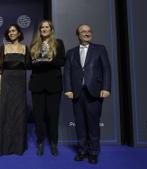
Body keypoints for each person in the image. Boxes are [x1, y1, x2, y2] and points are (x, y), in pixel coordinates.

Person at [64, 24, 111, 164]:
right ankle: (82, 150)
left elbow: (106, 69)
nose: (87, 33)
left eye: (89, 31)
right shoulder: (71, 52)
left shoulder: (100, 49)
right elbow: (66, 72)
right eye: (83, 31)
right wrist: (68, 89)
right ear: (77, 35)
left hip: (95, 92)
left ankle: (94, 152)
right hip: (77, 93)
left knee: (93, 124)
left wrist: (106, 88)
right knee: (80, 123)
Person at [29, 20, 65, 156]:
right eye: (42, 27)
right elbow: (29, 64)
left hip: (53, 85)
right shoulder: (33, 44)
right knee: (38, 116)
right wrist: (38, 62)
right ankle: (40, 142)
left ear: (51, 29)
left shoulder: (58, 43)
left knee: (53, 115)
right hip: (37, 84)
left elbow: (62, 61)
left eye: (46, 27)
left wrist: (50, 61)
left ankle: (53, 142)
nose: (44, 29)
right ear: (39, 30)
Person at [0, 24, 30, 155]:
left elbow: (29, 65)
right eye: (9, 31)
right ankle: (5, 146)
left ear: (18, 33)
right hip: (6, 82)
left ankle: (18, 146)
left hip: (20, 83)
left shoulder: (25, 48)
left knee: (19, 113)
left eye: (13, 31)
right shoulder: (3, 48)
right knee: (6, 112)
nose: (11, 33)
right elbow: (0, 70)